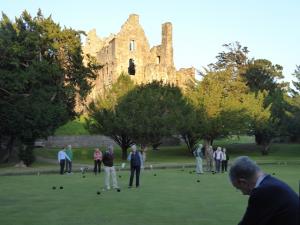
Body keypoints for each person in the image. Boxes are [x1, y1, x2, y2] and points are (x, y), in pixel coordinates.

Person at [229, 156, 299, 225]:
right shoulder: (270, 183)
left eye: (239, 188)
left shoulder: (262, 191)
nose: (243, 193)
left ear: (243, 182)